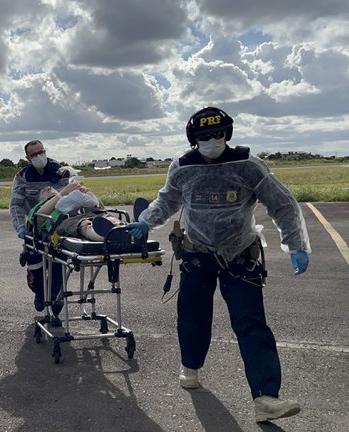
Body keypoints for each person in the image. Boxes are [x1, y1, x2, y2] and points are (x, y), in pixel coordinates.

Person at [126, 106, 311, 423]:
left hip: (240, 254)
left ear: (227, 134)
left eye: (218, 134)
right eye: (205, 136)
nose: (213, 140)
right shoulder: (183, 167)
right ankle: (190, 367)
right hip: (198, 255)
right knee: (193, 317)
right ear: (194, 139)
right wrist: (146, 220)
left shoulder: (248, 165)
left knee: (251, 324)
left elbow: (282, 203)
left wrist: (296, 243)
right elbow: (168, 199)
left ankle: (266, 398)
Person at [10, 140, 72, 324]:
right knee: (36, 271)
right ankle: (39, 292)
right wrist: (20, 227)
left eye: (41, 152)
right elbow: (16, 204)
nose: (39, 157)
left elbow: (69, 198)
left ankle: (55, 300)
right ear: (28, 158)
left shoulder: (61, 172)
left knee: (58, 266)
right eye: (34, 155)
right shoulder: (23, 176)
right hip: (34, 227)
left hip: (56, 226)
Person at [28, 183, 128, 242]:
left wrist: (88, 193)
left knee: (107, 217)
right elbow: (38, 219)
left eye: (50, 188)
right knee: (84, 225)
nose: (48, 189)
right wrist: (60, 194)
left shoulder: (69, 195)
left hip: (91, 214)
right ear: (39, 199)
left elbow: (101, 207)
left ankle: (127, 230)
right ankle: (110, 237)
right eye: (44, 191)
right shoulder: (41, 205)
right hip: (66, 221)